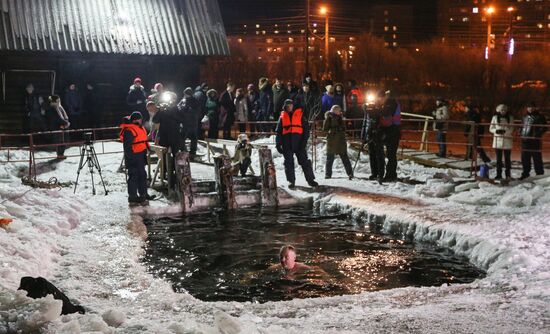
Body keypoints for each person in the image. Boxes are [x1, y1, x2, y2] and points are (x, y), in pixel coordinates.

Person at [275, 99, 318, 188]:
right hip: (287, 144)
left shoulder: (300, 115)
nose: (289, 107)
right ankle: (291, 181)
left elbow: (306, 130)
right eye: (287, 105)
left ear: (293, 106)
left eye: (290, 105)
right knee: (289, 163)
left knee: (305, 162)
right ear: (285, 107)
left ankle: (310, 180)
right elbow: (278, 132)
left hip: (299, 143)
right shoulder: (282, 117)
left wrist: (304, 141)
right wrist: (278, 144)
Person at [120, 112, 154, 204]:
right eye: (139, 119)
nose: (141, 120)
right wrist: (131, 158)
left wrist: (148, 149)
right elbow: (127, 147)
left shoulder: (140, 128)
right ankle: (132, 196)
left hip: (141, 155)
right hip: (133, 156)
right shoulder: (129, 130)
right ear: (135, 120)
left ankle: (143, 194)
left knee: (142, 175)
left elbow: (143, 140)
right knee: (134, 176)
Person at [323, 105, 353, 180]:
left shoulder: (340, 118)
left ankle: (350, 173)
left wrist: (341, 129)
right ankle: (328, 174)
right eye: (339, 111)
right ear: (335, 110)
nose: (340, 112)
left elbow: (344, 128)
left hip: (340, 141)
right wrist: (334, 129)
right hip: (332, 141)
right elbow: (325, 129)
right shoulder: (329, 118)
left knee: (345, 158)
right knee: (330, 158)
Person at [520, 102, 547, 179]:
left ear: (535, 108)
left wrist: (537, 134)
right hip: (524, 140)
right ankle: (525, 173)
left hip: (535, 140)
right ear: (527, 108)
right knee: (525, 158)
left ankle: (539, 174)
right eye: (529, 107)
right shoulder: (524, 116)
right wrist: (519, 131)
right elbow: (522, 126)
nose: (530, 108)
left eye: (532, 107)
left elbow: (544, 127)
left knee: (537, 157)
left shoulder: (540, 116)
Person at [379, 90, 401, 182]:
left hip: (392, 131)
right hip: (393, 130)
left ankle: (390, 175)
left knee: (391, 155)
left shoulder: (390, 103)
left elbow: (386, 115)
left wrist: (378, 111)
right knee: (391, 154)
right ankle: (391, 174)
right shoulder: (393, 103)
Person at [489, 104, 514, 180]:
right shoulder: (495, 117)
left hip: (507, 140)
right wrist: (496, 131)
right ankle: (498, 174)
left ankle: (508, 174)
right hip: (498, 141)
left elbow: (512, 128)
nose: (503, 111)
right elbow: (491, 128)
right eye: (502, 110)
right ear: (499, 110)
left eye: (504, 110)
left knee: (507, 159)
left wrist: (505, 132)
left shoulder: (510, 118)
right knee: (498, 159)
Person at [363, 101, 384, 183]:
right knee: (372, 155)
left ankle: (380, 174)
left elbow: (381, 123)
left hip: (377, 136)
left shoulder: (378, 111)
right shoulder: (367, 113)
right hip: (369, 135)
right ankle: (374, 173)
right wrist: (363, 136)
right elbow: (365, 124)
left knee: (379, 155)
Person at [177, 87, 201, 159]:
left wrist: (184, 112)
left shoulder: (194, 101)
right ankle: (187, 151)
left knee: (191, 138)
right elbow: (178, 108)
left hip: (190, 123)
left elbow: (196, 112)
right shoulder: (184, 100)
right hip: (188, 123)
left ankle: (190, 152)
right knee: (184, 138)